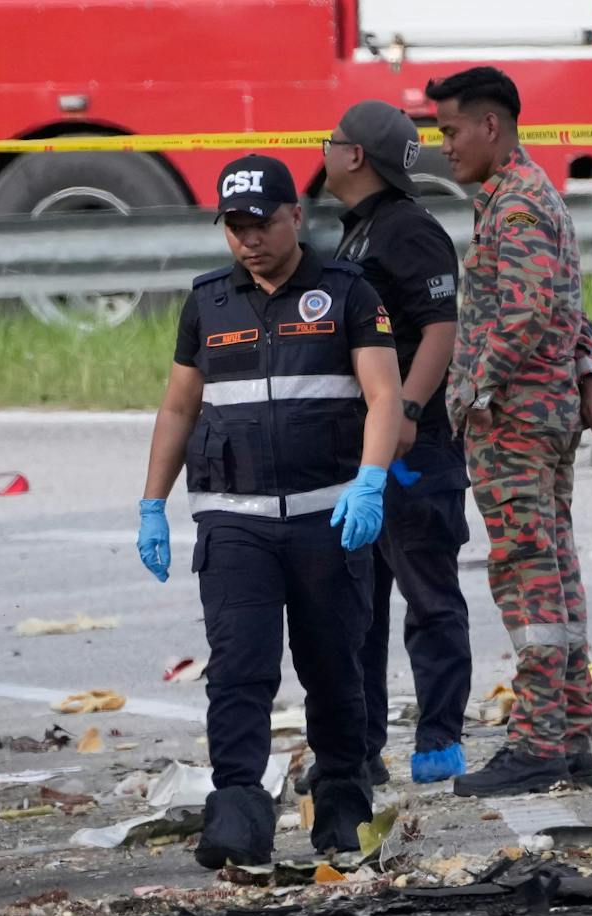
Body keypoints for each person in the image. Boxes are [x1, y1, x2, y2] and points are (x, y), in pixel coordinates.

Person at [136, 154, 402, 866]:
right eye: (235, 226)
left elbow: (384, 396)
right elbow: (179, 405)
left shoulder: (348, 293)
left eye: (261, 222)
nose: (249, 239)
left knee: (335, 670)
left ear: (295, 217)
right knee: (239, 670)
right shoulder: (208, 302)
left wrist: (370, 480)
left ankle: (343, 806)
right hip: (235, 523)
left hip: (328, 518)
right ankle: (238, 815)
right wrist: (151, 503)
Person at [423, 68, 592, 797]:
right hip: (543, 413)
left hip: (512, 420)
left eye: (449, 131)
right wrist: (590, 375)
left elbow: (531, 308)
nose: (443, 146)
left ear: (491, 127)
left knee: (525, 573)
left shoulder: (517, 207)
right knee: (554, 569)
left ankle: (539, 740)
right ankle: (569, 736)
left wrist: (473, 387)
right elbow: (570, 306)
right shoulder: (530, 198)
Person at [320, 100, 474, 787]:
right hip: (367, 450)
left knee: (429, 596)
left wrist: (409, 406)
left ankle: (439, 740)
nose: (322, 149)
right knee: (360, 609)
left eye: (332, 140)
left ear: (356, 156)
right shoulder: (360, 231)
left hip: (415, 450)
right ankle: (361, 749)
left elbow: (441, 327)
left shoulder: (407, 230)